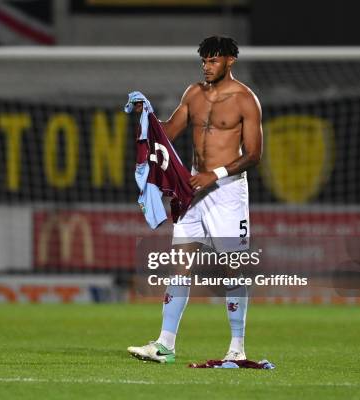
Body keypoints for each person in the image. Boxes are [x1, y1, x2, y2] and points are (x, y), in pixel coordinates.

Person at [127, 36, 263, 363]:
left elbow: (254, 155)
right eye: (203, 60)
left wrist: (213, 174)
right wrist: (146, 116)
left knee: (232, 270)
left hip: (227, 191)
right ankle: (165, 344)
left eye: (213, 60)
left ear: (230, 61)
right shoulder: (193, 94)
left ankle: (237, 348)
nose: (206, 66)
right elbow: (168, 132)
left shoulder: (246, 100)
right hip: (193, 189)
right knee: (179, 266)